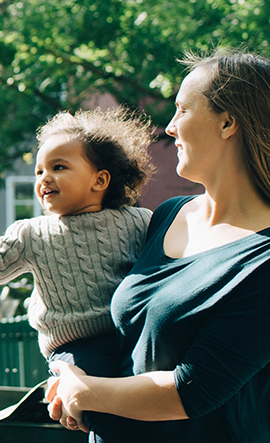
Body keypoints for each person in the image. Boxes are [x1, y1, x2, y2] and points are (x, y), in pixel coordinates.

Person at [46, 48, 270, 442]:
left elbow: (193, 390)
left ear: (228, 122)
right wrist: (70, 372)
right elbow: (121, 336)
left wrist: (88, 392)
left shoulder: (263, 260)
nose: (168, 127)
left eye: (182, 110)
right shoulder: (167, 216)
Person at [0, 109, 155, 435]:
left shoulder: (138, 221)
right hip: (76, 346)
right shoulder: (32, 234)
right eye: (38, 171)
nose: (43, 178)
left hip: (130, 334)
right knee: (96, 406)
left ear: (100, 179)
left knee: (148, 391)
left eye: (58, 167)